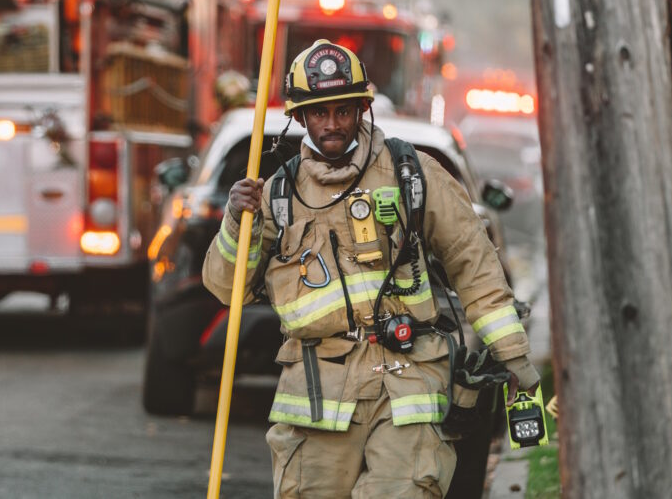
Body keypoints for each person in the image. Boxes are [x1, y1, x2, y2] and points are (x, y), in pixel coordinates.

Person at [202, 39, 541, 498]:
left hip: (409, 387)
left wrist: (515, 361)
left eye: (344, 111)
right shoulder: (276, 196)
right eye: (319, 113)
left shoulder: (413, 175)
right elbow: (228, 290)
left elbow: (474, 265)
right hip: (316, 395)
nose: (333, 124)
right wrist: (236, 223)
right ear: (300, 117)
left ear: (363, 109)